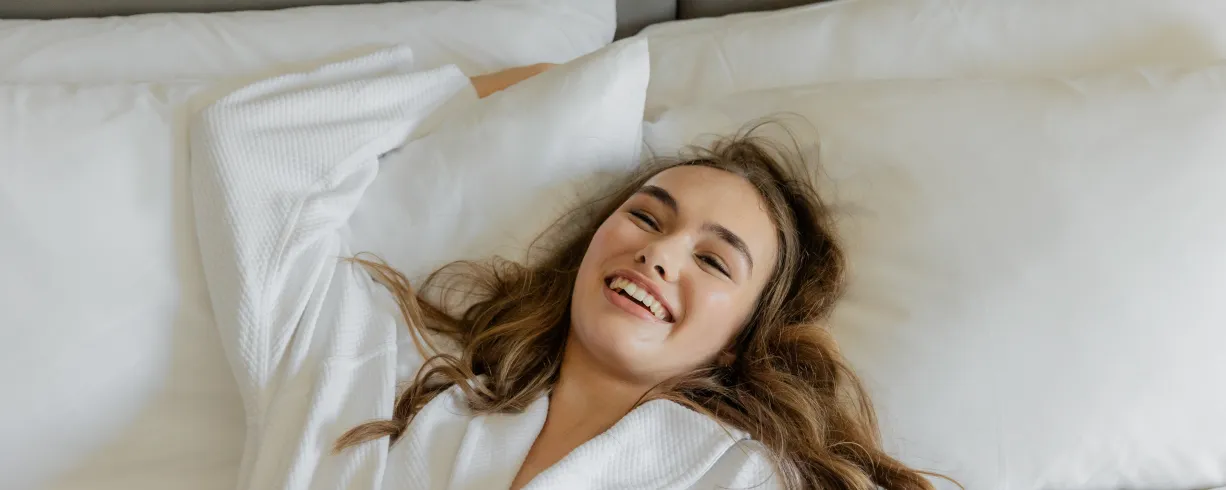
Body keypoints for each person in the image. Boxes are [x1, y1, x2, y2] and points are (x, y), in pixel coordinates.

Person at [192, 51, 952, 490]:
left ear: (739, 339)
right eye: (646, 218)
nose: (659, 253)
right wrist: (472, 94)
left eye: (713, 260)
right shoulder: (373, 371)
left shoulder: (743, 478)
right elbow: (250, 147)